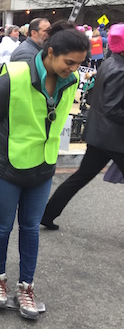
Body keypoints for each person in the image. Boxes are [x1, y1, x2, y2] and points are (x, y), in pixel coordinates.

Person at [0, 21, 89, 319]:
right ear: (50, 52)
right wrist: (2, 147)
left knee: (31, 228)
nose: (74, 69)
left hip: (42, 166)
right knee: (3, 226)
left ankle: (26, 285)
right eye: (69, 62)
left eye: (79, 63)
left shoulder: (72, 80)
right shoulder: (14, 76)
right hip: (7, 164)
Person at [41, 23, 124, 230]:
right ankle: (47, 214)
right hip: (115, 139)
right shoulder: (120, 69)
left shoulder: (110, 62)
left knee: (80, 177)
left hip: (100, 134)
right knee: (80, 177)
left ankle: (47, 213)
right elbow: (113, 108)